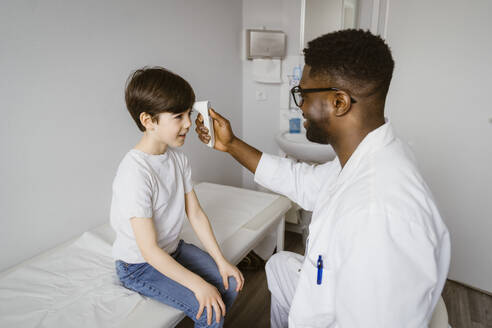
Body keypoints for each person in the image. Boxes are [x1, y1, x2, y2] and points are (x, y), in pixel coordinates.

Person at [195, 30, 450, 327]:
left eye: (303, 94)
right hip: (332, 296)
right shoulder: (368, 155)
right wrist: (231, 144)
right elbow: (303, 182)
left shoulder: (378, 213)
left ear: (339, 102)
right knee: (279, 265)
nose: (299, 105)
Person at [110, 67, 244, 327]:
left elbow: (195, 213)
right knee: (210, 309)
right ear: (148, 121)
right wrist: (198, 285)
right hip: (138, 265)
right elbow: (148, 250)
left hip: (172, 250)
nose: (188, 124)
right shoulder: (135, 173)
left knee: (230, 284)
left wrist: (221, 261)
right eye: (178, 116)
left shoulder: (177, 159)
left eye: (189, 114)